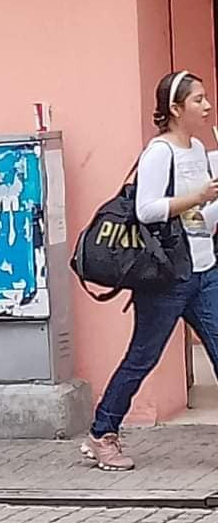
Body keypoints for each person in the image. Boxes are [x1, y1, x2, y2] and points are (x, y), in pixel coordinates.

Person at [83, 70, 218, 470]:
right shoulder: (159, 152)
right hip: (166, 276)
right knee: (143, 357)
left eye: (205, 98)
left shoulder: (198, 149)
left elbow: (199, 218)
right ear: (175, 109)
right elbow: (147, 209)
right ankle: (102, 432)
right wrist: (197, 195)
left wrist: (208, 203)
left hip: (204, 268)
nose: (207, 106)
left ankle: (102, 432)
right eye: (198, 100)